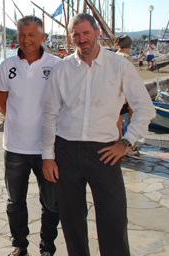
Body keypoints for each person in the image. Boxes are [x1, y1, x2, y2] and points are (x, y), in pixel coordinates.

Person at [41, 13, 155, 256]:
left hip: (105, 152)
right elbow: (50, 114)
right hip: (66, 151)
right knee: (72, 221)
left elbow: (145, 108)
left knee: (113, 218)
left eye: (86, 33)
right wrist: (47, 156)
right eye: (76, 35)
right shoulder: (62, 69)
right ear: (71, 38)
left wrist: (126, 143)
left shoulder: (119, 65)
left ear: (97, 33)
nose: (82, 39)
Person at [0, 16, 61, 256]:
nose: (26, 40)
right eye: (22, 35)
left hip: (48, 149)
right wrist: (19, 119)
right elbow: (2, 101)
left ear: (42, 37)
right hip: (14, 147)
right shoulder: (7, 65)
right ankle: (19, 246)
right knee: (15, 202)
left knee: (52, 203)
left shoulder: (57, 65)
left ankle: (47, 247)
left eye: (32, 35)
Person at [115, 35, 141, 159]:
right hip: (125, 96)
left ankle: (118, 144)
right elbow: (131, 79)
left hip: (115, 96)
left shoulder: (114, 56)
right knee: (134, 117)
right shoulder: (127, 58)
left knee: (117, 122)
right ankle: (132, 148)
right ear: (129, 46)